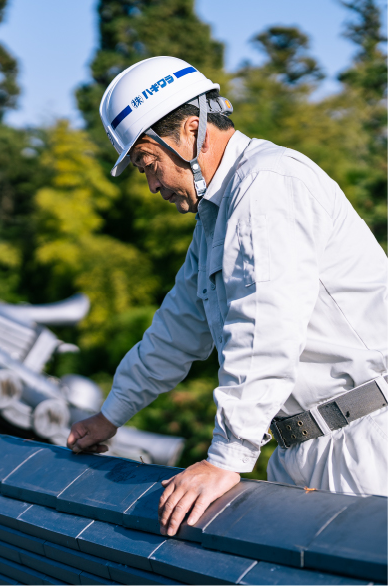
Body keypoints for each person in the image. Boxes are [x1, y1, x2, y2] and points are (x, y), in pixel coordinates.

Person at [66, 56, 388, 538]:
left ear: (192, 131)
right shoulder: (217, 216)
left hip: (364, 444)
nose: (152, 185)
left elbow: (265, 328)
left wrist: (227, 457)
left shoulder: (267, 186)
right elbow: (176, 330)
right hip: (299, 448)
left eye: (149, 164)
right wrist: (113, 414)